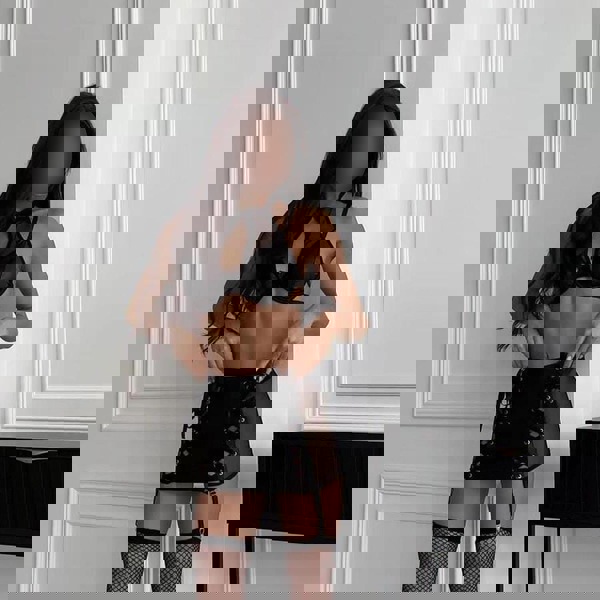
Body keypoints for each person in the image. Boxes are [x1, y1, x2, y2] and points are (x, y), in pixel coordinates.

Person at [109, 81, 403, 592]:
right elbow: (321, 305)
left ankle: (150, 568)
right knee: (197, 478)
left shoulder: (277, 259)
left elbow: (296, 307)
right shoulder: (297, 253)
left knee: (196, 477)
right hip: (241, 384)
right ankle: (147, 569)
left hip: (240, 381)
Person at [405, 195, 600, 592]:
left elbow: (528, 329)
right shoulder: (586, 289)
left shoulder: (561, 277)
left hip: (531, 384)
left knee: (495, 475)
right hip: (543, 388)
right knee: (498, 475)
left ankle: (450, 575)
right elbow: (556, 344)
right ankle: (452, 575)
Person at [0, 89, 97, 346]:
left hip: (20, 217)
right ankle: (77, 117)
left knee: (42, 179)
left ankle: (78, 115)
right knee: (45, 179)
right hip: (27, 223)